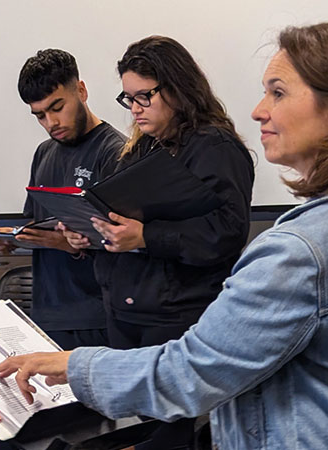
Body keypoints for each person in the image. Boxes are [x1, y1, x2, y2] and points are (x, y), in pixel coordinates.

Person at [0, 22, 328, 449]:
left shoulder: (297, 252)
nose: (259, 110)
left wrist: (73, 365)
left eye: (278, 93)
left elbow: (190, 374)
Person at [57, 35, 254, 448]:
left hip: (174, 315)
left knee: (168, 436)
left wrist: (146, 236)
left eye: (144, 96)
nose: (135, 109)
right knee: (138, 429)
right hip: (129, 309)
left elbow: (226, 232)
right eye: (127, 99)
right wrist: (94, 230)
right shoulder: (143, 146)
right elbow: (129, 218)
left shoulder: (214, 146)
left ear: (178, 88)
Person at [0, 49, 124, 350]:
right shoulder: (44, 153)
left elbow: (127, 246)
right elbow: (36, 225)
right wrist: (13, 239)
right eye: (40, 116)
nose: (50, 122)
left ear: (82, 91)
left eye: (57, 108)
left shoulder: (115, 152)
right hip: (47, 314)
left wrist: (65, 243)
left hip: (98, 317)